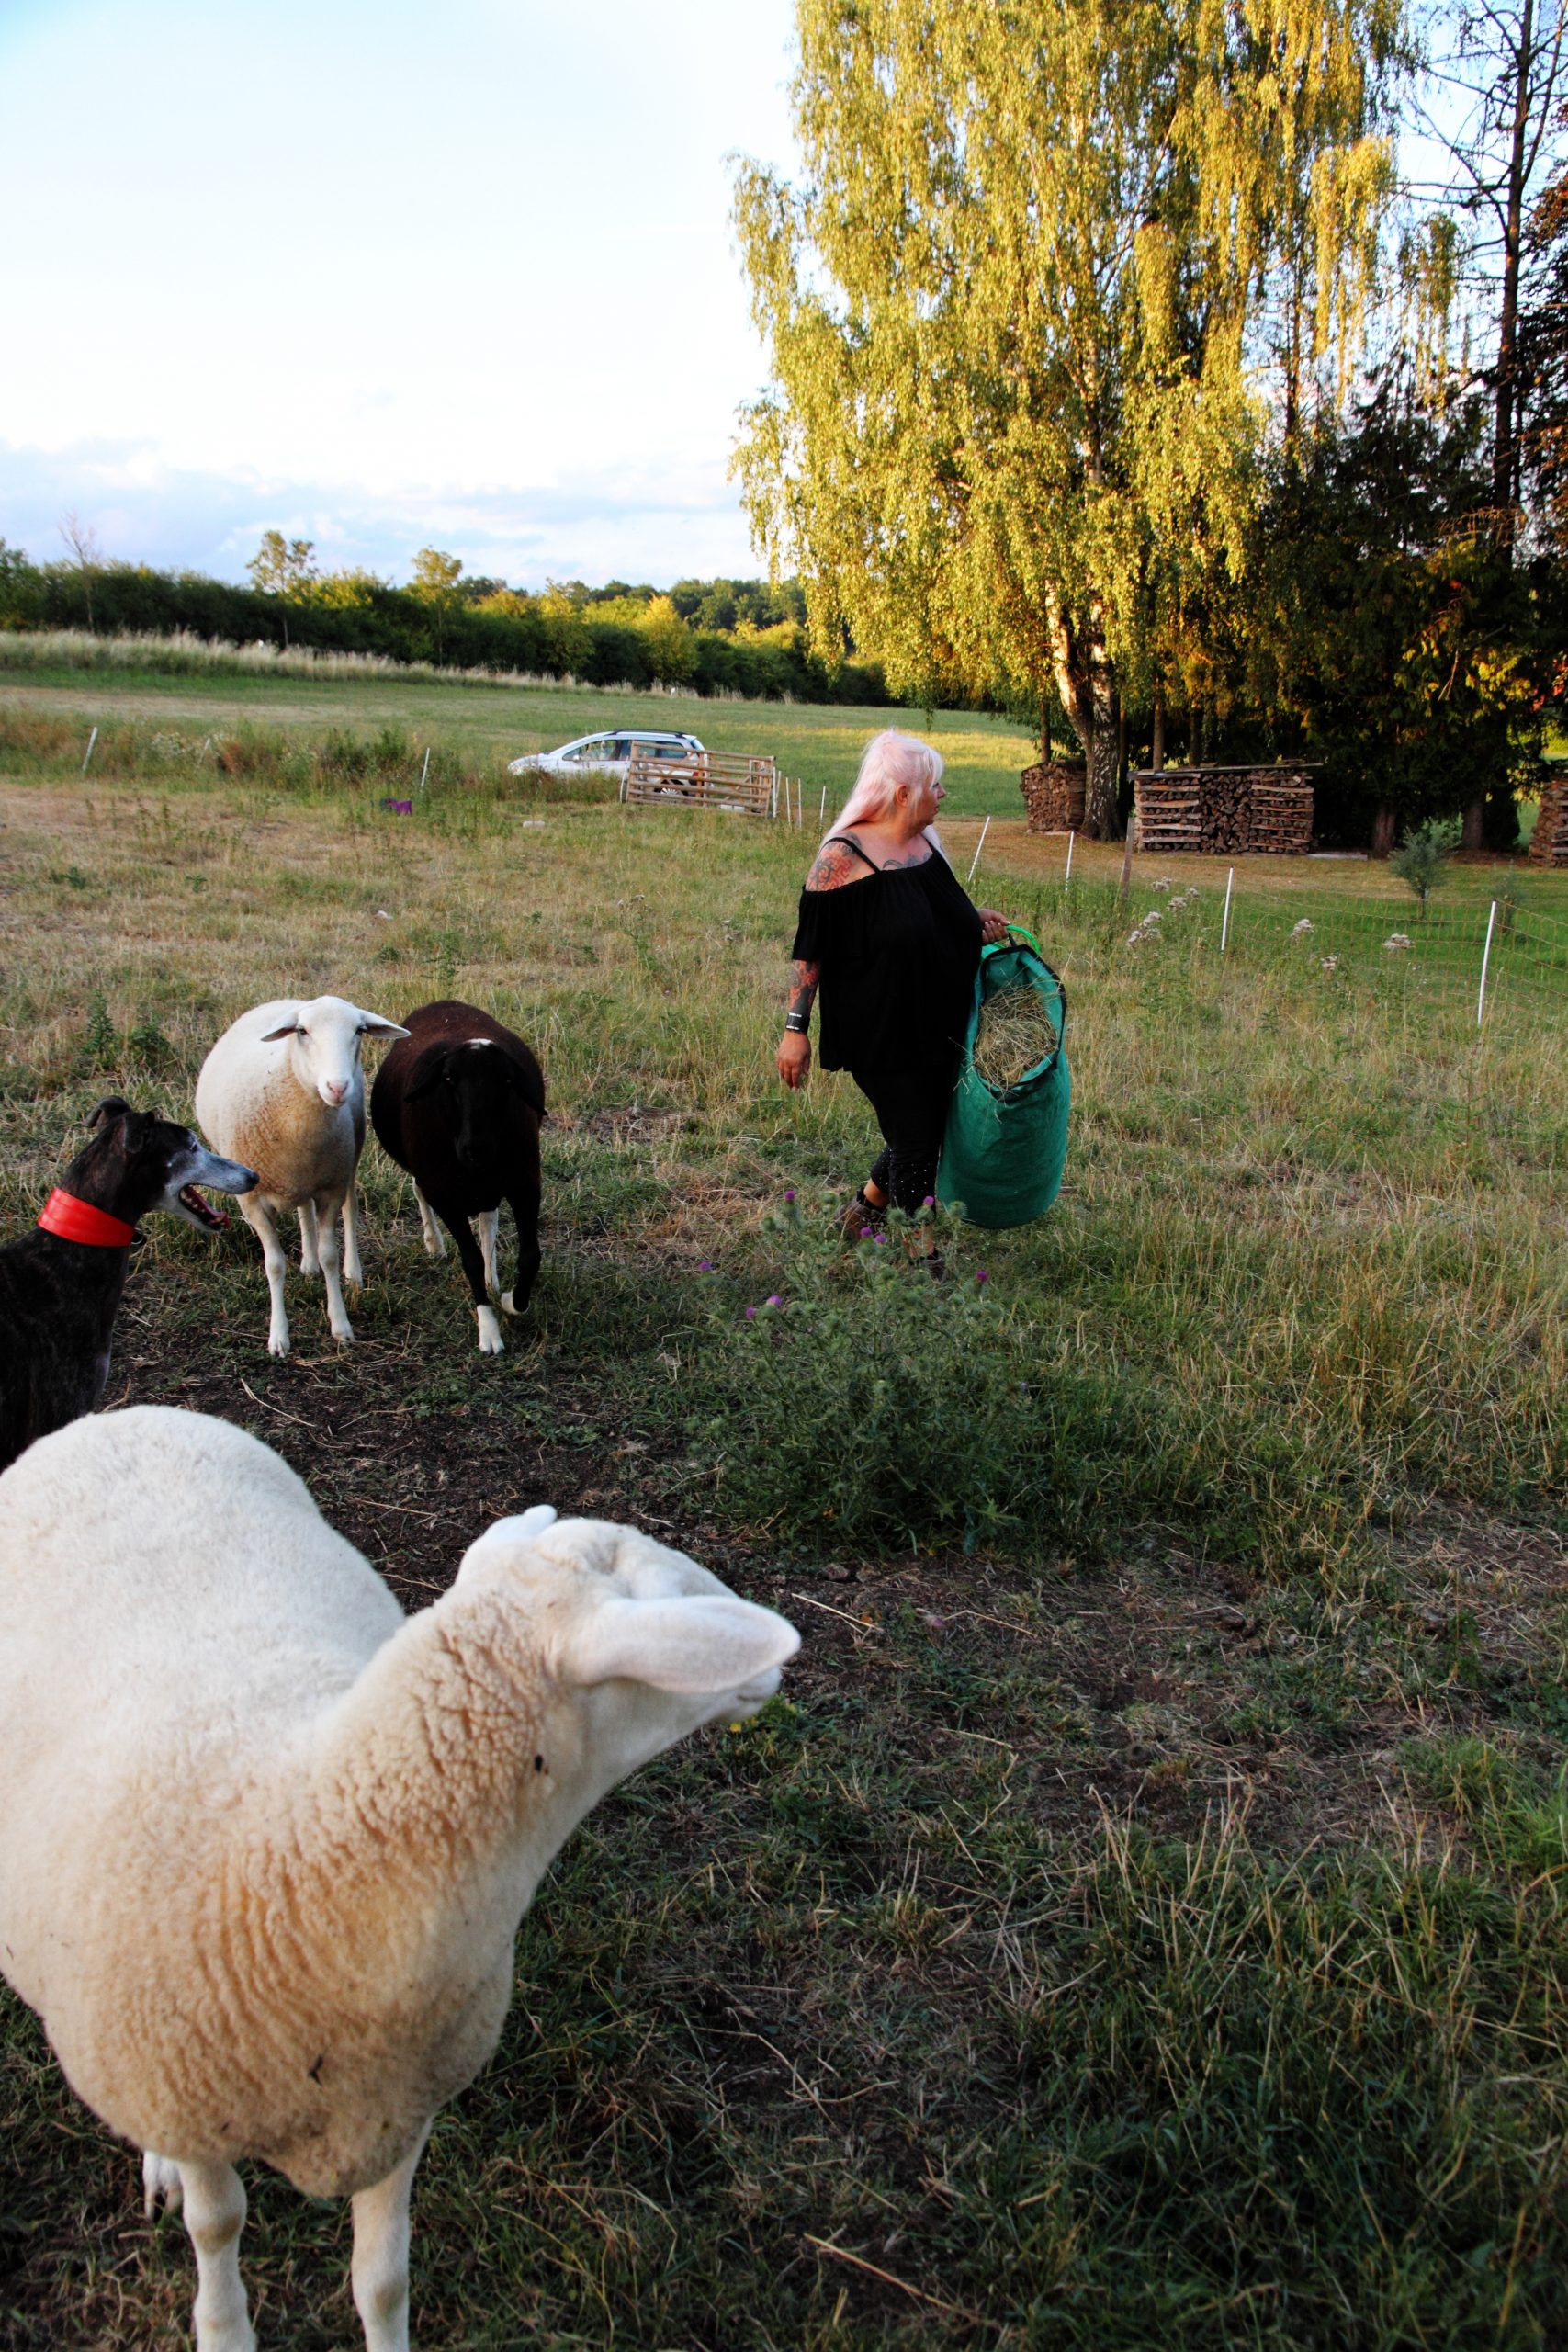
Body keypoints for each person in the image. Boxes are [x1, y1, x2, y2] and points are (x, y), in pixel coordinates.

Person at [776, 729, 1010, 1259]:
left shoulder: (924, 844)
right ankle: (921, 1258)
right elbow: (810, 952)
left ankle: (864, 1209)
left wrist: (969, 922)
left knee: (927, 1126)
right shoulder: (842, 857)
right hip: (879, 1032)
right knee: (916, 1141)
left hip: (939, 1022)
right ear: (903, 794)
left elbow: (921, 918)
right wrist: (795, 1031)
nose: (942, 794)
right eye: (935, 785)